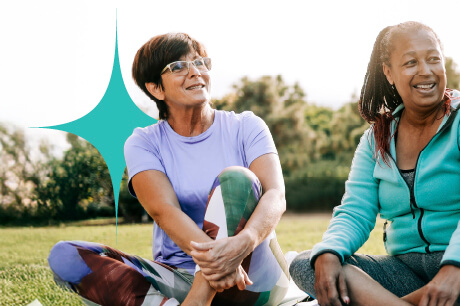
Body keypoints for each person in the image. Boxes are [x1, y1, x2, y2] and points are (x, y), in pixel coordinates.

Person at [287, 21, 460, 306]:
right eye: (411, 62)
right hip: (406, 271)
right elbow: (356, 211)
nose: (426, 71)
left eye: (434, 59)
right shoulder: (376, 139)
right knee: (309, 263)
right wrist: (329, 252)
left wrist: (455, 266)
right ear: (388, 72)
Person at [46, 32, 293, 306]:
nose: (195, 72)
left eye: (200, 63)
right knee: (66, 257)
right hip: (180, 280)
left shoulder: (247, 126)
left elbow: (275, 195)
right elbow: (164, 211)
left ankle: (198, 301)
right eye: (178, 67)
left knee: (236, 179)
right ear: (156, 89)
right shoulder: (143, 143)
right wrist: (217, 261)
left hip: (253, 279)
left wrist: (243, 243)